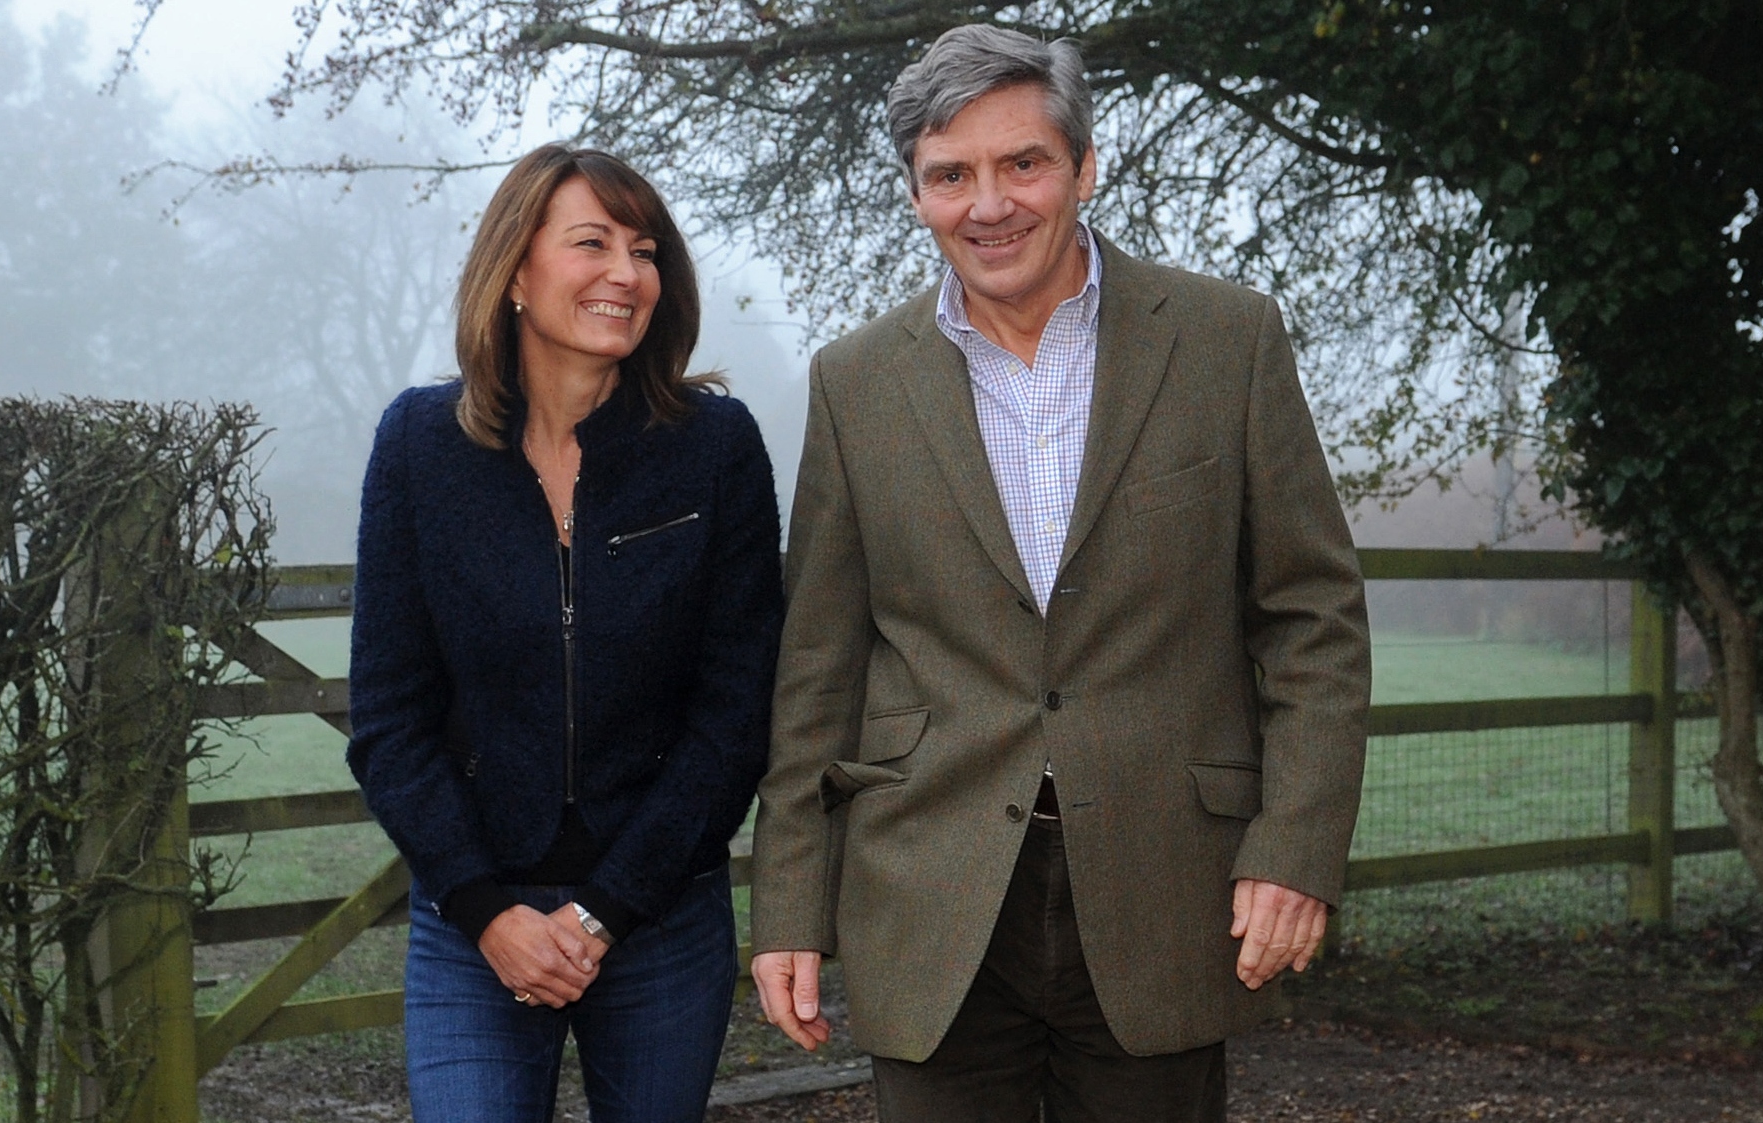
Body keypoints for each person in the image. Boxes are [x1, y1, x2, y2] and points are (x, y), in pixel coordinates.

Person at [748, 25, 1371, 1122]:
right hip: (926, 896)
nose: (987, 204)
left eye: (1020, 163)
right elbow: (817, 671)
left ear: (1083, 167)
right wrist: (791, 905)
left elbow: (1309, 616)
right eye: (950, 175)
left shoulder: (1225, 341)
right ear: (915, 193)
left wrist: (1297, 845)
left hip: (1165, 886)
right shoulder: (854, 383)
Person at [347, 144, 784, 1123]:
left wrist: (606, 908)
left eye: (644, 249)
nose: (625, 274)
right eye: (592, 243)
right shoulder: (419, 446)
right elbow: (386, 719)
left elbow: (734, 713)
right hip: (474, 921)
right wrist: (485, 909)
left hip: (661, 912)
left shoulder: (714, 448)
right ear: (514, 271)